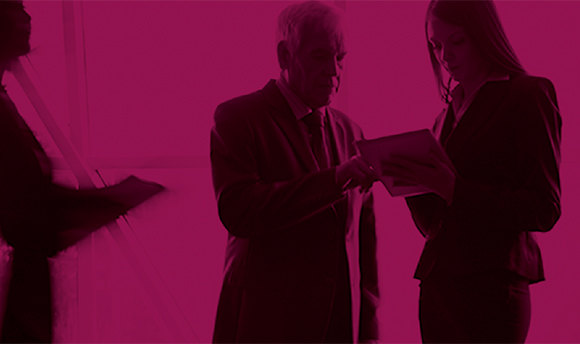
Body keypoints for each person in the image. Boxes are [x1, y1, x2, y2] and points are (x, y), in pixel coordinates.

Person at [381, 0, 561, 342]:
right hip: (438, 286)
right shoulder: (443, 118)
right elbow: (435, 225)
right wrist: (407, 181)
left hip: (494, 288)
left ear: (483, 34)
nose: (445, 55)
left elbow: (545, 207)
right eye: (436, 46)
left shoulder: (528, 94)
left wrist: (453, 190)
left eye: (457, 41)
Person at [210, 1, 379, 343]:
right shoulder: (238, 119)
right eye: (320, 56)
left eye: (341, 57)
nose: (334, 72)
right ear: (285, 57)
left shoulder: (354, 133)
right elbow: (238, 210)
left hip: (339, 329)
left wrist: (370, 333)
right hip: (266, 327)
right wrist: (334, 180)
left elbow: (365, 247)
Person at [0, 1, 164, 342]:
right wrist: (117, 198)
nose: (28, 17)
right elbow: (31, 217)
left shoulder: (6, 105)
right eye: (15, 7)